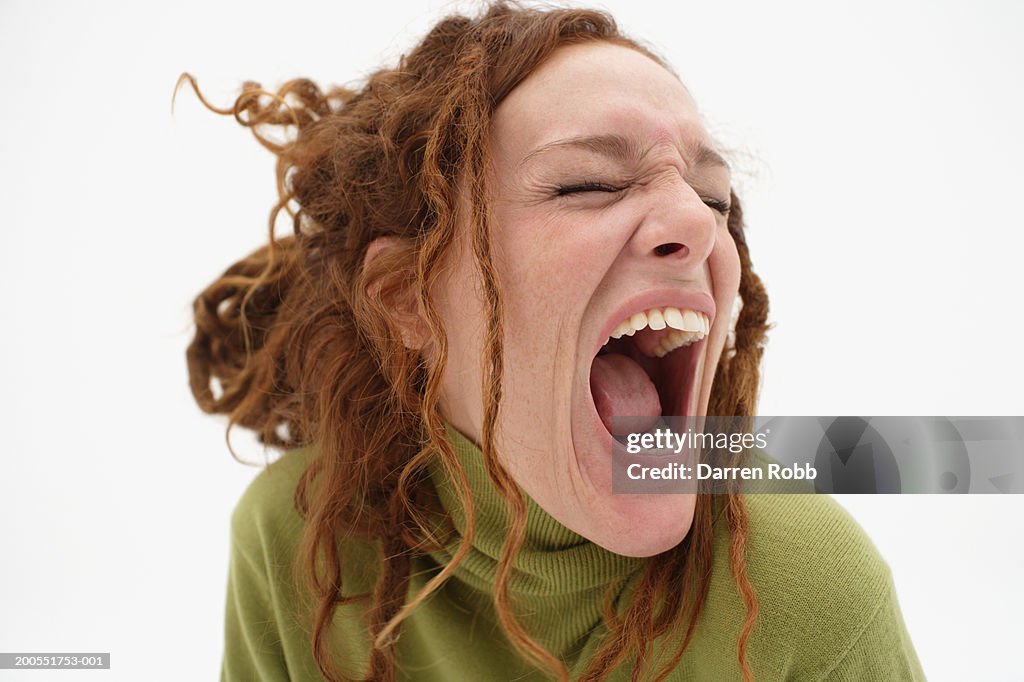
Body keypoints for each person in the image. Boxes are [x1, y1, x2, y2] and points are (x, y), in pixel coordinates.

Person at [184, 3, 925, 680]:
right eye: (588, 184)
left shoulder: (809, 588)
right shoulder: (299, 541)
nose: (703, 227)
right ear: (407, 298)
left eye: (712, 198)